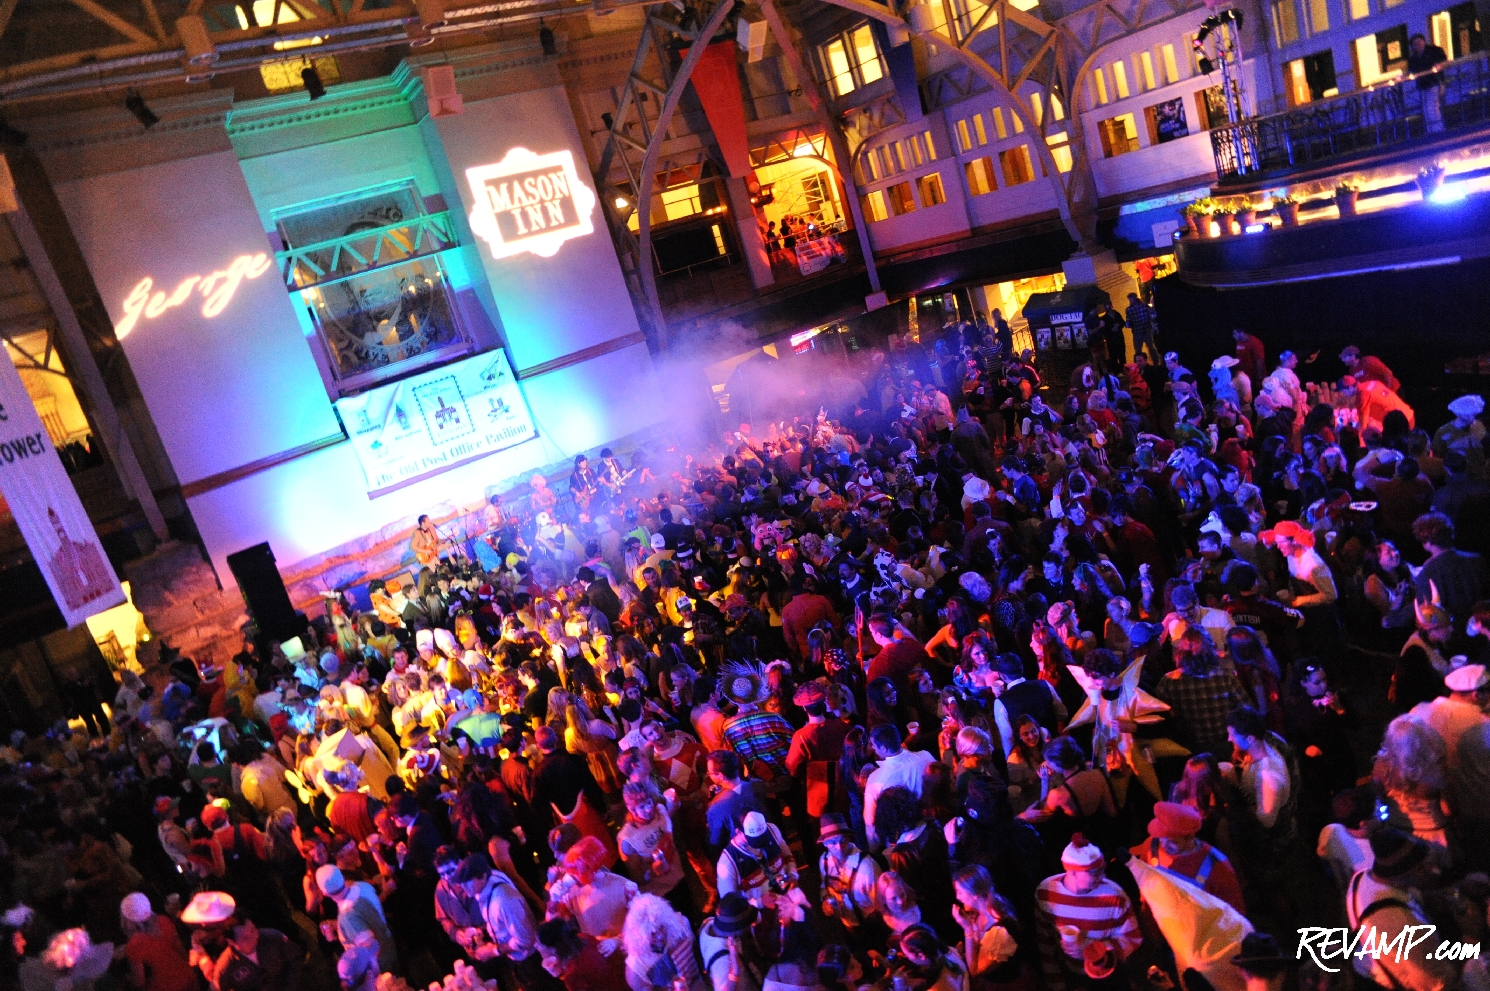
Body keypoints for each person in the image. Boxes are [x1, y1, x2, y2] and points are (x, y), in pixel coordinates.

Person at [1033, 836, 1140, 991]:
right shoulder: (1046, 893)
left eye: (1103, 869)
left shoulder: (1115, 896)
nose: (1103, 877)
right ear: (1073, 872)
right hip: (1071, 976)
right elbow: (1046, 943)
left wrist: (1091, 948)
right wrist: (1056, 984)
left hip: (1108, 977)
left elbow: (1133, 938)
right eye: (1095, 872)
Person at [1129, 802, 1245, 913]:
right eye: (1161, 836)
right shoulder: (1152, 845)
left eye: (1173, 841)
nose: (1163, 844)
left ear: (1190, 838)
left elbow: (1235, 915)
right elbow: (1144, 887)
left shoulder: (1217, 866)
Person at [1408, 33, 1449, 132]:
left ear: (1424, 41)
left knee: (1432, 106)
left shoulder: (1434, 51)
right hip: (1422, 85)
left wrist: (1439, 68)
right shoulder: (1414, 58)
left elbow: (1445, 62)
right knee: (1426, 108)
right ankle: (1431, 130)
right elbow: (1411, 71)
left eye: (1419, 42)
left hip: (1434, 82)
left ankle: (1438, 130)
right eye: (1415, 44)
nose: (1418, 45)